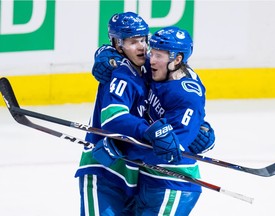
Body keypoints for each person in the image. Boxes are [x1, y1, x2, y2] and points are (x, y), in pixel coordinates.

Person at [91, 26, 215, 215]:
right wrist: (106, 55)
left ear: (177, 59)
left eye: (159, 55)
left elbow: (170, 150)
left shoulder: (188, 95)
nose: (151, 60)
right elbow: (120, 52)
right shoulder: (160, 70)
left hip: (172, 183)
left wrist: (124, 149)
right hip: (145, 181)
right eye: (152, 52)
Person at [75, 12, 183, 215]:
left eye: (143, 39)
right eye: (133, 42)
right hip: (103, 169)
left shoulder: (147, 70)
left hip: (132, 173)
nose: (142, 46)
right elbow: (113, 118)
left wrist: (194, 125)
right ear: (118, 44)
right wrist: (149, 131)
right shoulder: (119, 74)